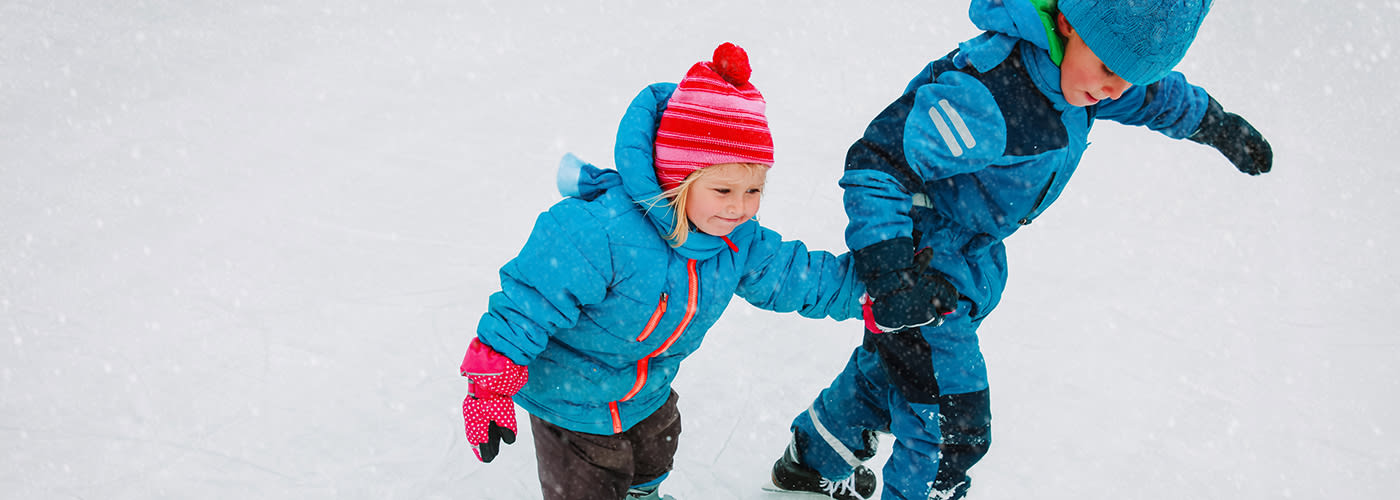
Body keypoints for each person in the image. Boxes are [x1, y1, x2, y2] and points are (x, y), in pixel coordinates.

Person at [766, 1, 1273, 499]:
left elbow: (1153, 96)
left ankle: (812, 460)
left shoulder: (1084, 72)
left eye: (1128, 78)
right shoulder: (990, 95)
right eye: (1108, 70)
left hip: (964, 261)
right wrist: (893, 272)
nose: (1112, 89)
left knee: (901, 378)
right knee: (949, 426)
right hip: (924, 268)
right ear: (1068, 21)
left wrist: (1216, 125)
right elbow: (879, 161)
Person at [460, 43, 942, 500]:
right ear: (679, 179)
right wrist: (488, 384)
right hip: (570, 401)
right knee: (589, 482)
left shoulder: (737, 240)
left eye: (753, 191)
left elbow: (796, 276)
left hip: (645, 388)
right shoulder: (600, 232)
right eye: (724, 191)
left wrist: (878, 293)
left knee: (657, 445)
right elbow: (527, 305)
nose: (740, 208)